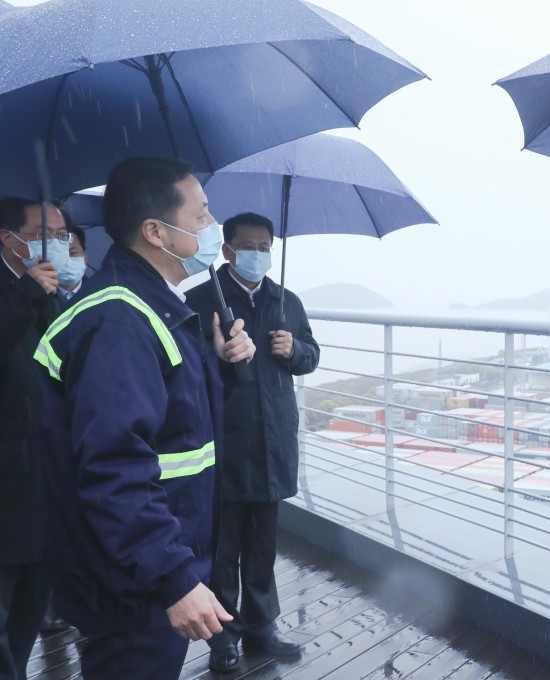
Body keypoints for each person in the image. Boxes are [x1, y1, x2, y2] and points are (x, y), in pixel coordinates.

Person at [33, 156, 255, 680]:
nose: (213, 226)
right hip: (135, 583)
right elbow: (115, 466)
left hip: (146, 564)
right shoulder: (120, 321)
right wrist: (173, 577)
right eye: (202, 215)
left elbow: (169, 422)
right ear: (156, 232)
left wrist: (221, 368)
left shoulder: (150, 306)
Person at [186, 212, 319, 672]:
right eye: (248, 246)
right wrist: (218, 357)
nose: (257, 254)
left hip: (273, 440)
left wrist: (294, 350)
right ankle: (223, 636)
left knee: (263, 545)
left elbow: (311, 354)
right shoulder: (201, 300)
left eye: (265, 247)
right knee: (223, 549)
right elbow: (183, 370)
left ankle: (263, 627)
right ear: (227, 250)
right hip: (224, 442)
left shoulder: (286, 301)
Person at [0, 198, 65, 680]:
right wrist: (26, 293)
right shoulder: (22, 291)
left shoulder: (51, 293)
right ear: (8, 239)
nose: (57, 244)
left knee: (32, 599)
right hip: (6, 478)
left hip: (46, 476)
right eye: (45, 233)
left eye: (63, 235)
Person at [55, 221, 88, 302]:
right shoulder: (38, 296)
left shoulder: (99, 293)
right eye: (60, 254)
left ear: (85, 258)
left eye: (73, 253)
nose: (66, 260)